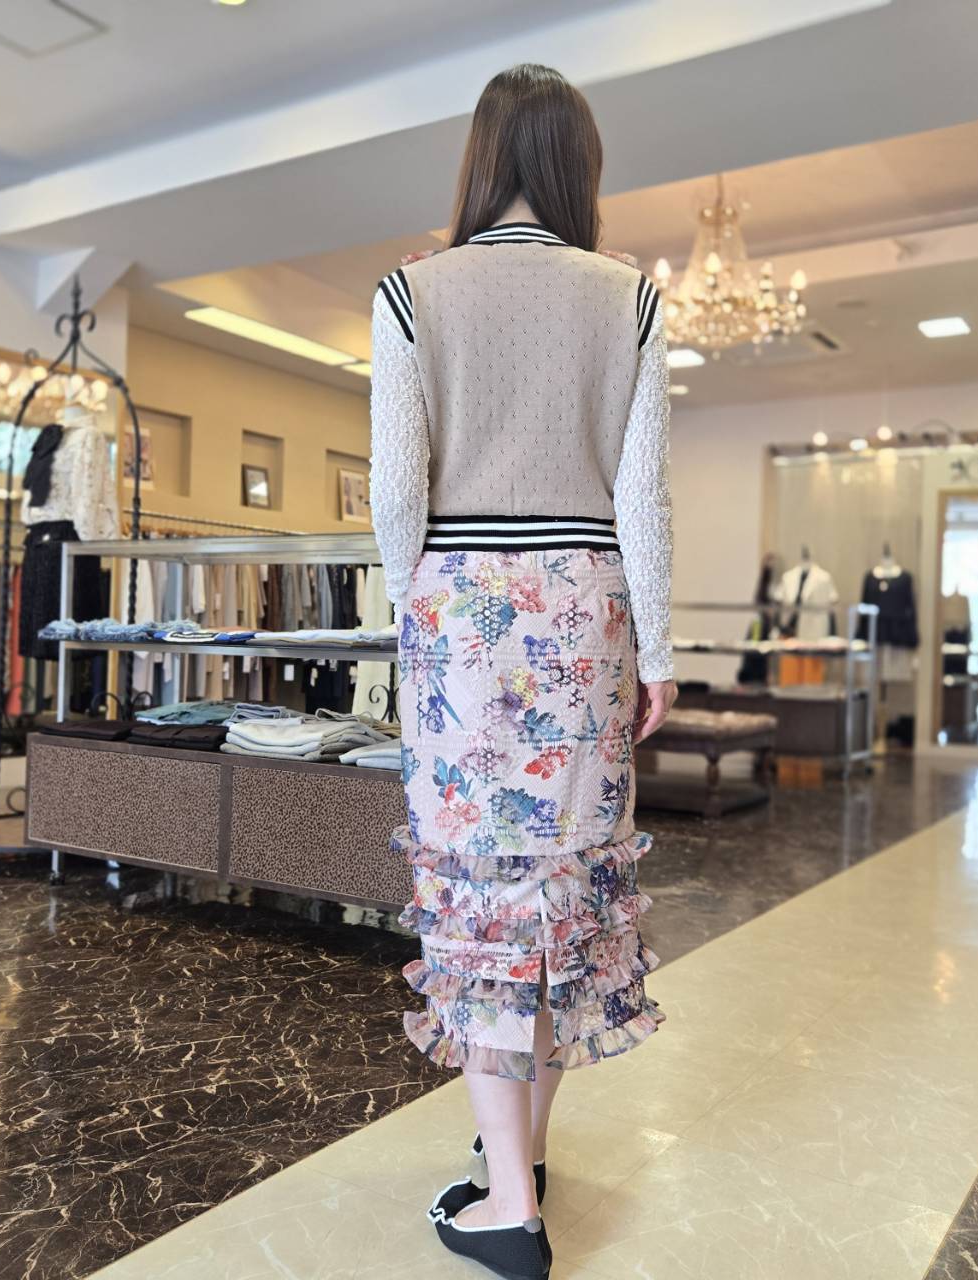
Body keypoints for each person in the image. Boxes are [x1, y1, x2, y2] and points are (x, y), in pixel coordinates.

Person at [369, 62, 675, 1280]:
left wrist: (409, 605)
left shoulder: (413, 290)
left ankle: (507, 1204)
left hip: (461, 617)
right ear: (576, 166)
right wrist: (660, 647)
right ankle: (523, 1161)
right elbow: (642, 495)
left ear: (481, 158)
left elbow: (396, 486)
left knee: (481, 895)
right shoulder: (628, 295)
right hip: (588, 612)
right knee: (565, 892)